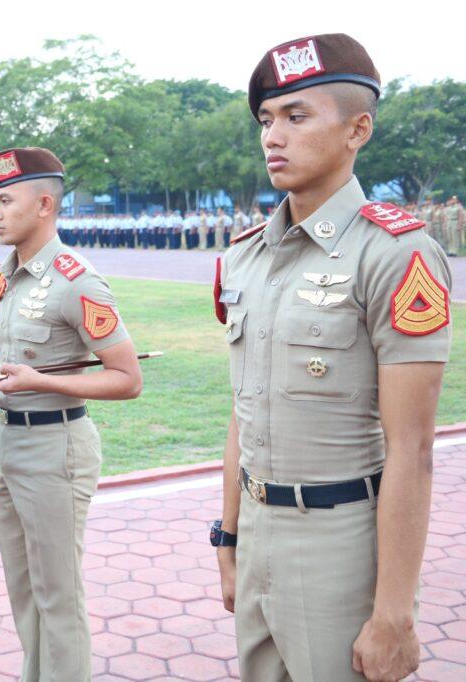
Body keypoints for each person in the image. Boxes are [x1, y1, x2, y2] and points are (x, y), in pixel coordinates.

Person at [214, 34, 452, 682]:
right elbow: (243, 408)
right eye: (267, 120)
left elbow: (414, 450)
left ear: (358, 129)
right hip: (258, 531)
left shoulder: (395, 253)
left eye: (297, 116)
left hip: (339, 542)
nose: (273, 136)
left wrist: (394, 613)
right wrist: (229, 538)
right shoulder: (244, 256)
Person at [0, 147, 143, 681]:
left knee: (57, 597)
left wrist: (38, 380)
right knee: (24, 591)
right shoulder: (4, 274)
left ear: (44, 204)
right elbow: (14, 356)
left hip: (56, 447)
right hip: (10, 443)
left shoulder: (75, 279)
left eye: (3, 201)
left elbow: (128, 379)